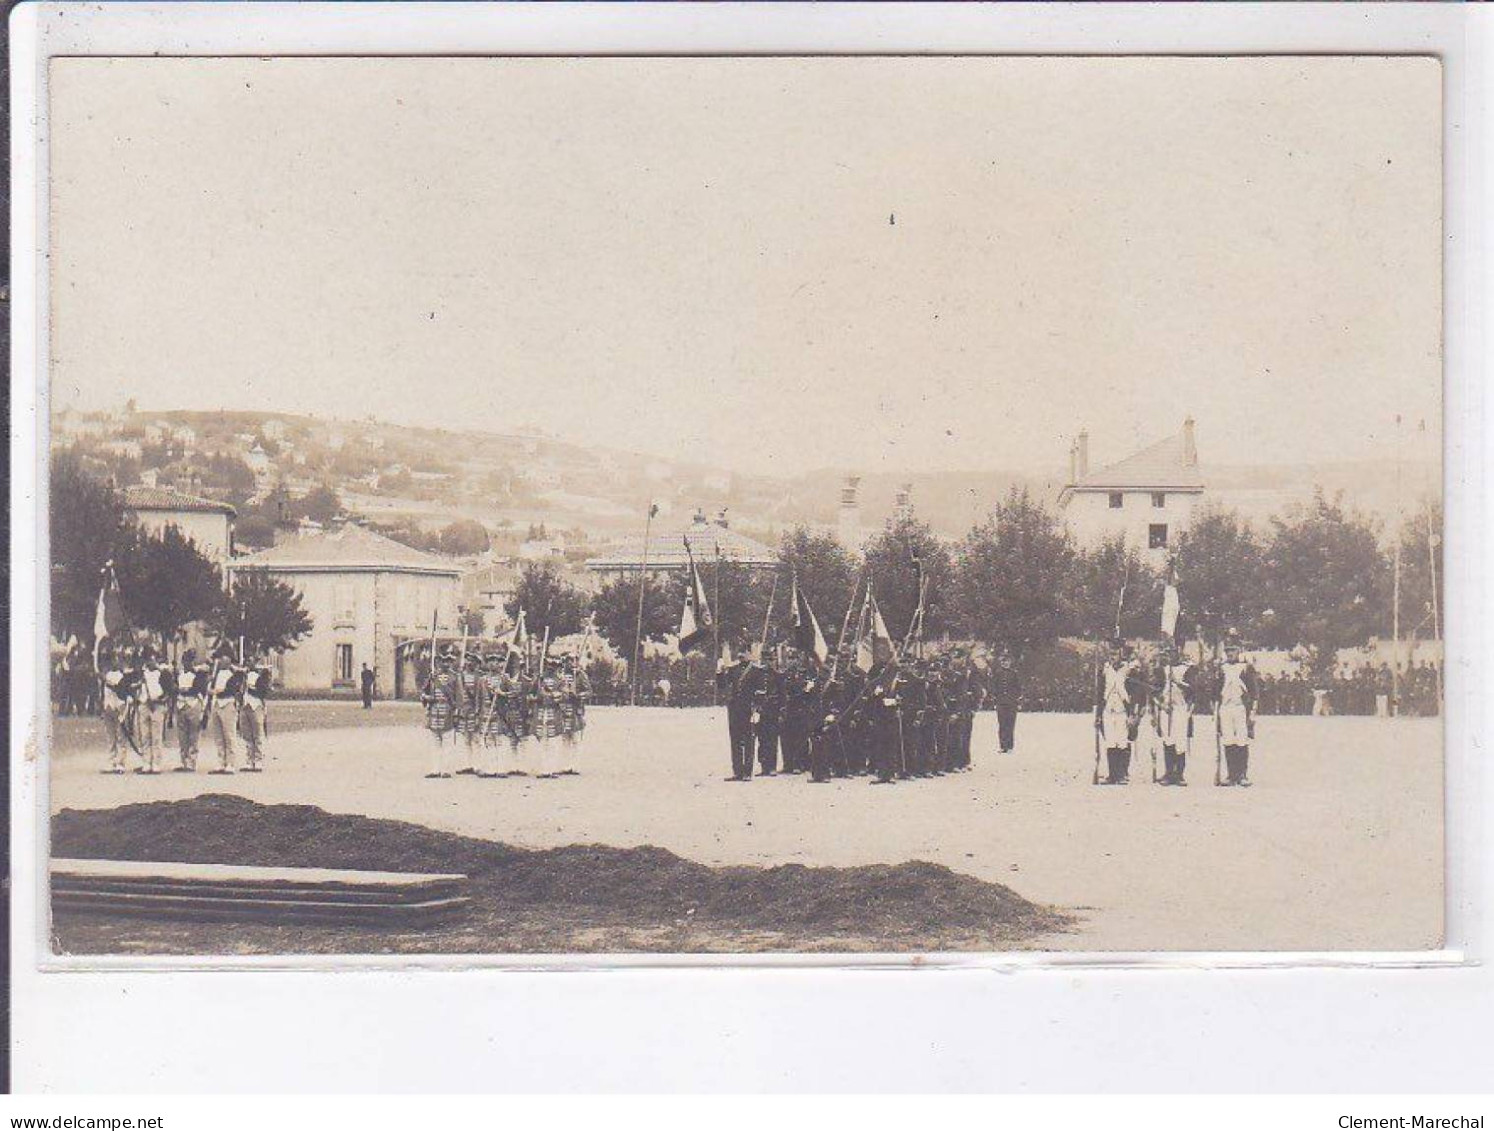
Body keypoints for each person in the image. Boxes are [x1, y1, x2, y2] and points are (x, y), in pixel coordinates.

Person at [1095, 640, 1141, 785]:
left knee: (1122, 742)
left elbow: (1136, 692)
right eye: (1111, 654)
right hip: (1108, 710)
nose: (1113, 657)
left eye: (1115, 654)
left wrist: (1134, 713)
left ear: (1121, 653)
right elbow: (1100, 692)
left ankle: (1122, 774)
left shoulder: (1129, 669)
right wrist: (1097, 715)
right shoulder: (1105, 669)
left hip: (1122, 710)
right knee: (1110, 742)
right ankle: (1112, 774)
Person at [1216, 636, 1260, 787]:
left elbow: (1254, 692)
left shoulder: (1246, 668)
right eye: (1228, 651)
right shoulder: (1221, 668)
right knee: (1228, 740)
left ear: (1238, 651)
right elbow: (1215, 690)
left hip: (1240, 708)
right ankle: (1231, 774)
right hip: (1225, 708)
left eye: (1233, 650)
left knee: (1242, 740)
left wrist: (1252, 713)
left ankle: (1242, 774)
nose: (1230, 654)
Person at [1155, 643, 1196, 786]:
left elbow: (1193, 690)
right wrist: (1161, 705)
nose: (1170, 655)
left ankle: (1179, 774)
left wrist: (1177, 682)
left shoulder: (1187, 668)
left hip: (1180, 709)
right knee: (1168, 740)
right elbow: (1156, 691)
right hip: (1167, 709)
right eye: (1168, 652)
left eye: (1173, 652)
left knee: (1180, 742)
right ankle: (1168, 773)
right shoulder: (1162, 670)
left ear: (1178, 652)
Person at [717, 647, 760, 781]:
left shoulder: (756, 671)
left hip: (749, 708)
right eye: (740, 653)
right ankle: (737, 771)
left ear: (750, 654)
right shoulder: (733, 669)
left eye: (745, 652)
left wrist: (757, 709)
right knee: (735, 740)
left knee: (748, 740)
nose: (742, 655)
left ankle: (747, 772)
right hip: (735, 708)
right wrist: (719, 672)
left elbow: (761, 692)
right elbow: (722, 685)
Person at [420, 646, 461, 778]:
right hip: (434, 713)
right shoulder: (433, 677)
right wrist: (425, 698)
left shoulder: (455, 677)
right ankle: (435, 769)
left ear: (451, 662)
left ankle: (446, 769)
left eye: (447, 661)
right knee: (435, 743)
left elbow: (459, 697)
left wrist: (457, 714)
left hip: (448, 712)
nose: (445, 663)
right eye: (442, 661)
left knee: (448, 743)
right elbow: (423, 693)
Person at [205, 644, 244, 775]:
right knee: (219, 735)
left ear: (229, 658)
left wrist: (215, 691)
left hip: (228, 703)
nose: (221, 660)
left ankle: (230, 763)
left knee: (229, 735)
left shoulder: (235, 673)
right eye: (220, 657)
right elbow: (211, 687)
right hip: (216, 704)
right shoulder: (216, 674)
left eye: (224, 657)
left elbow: (231, 689)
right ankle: (221, 761)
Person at [136, 647, 169, 774]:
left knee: (156, 736)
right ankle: (146, 762)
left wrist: (159, 700)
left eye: (152, 658)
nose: (150, 661)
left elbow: (168, 691)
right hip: (144, 704)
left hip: (157, 706)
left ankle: (156, 763)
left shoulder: (163, 673)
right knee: (145, 736)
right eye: (147, 659)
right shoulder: (142, 674)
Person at [173, 650, 206, 772]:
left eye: (190, 661)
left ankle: (192, 761)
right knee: (182, 735)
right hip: (181, 704)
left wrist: (184, 690)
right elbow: (175, 689)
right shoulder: (179, 675)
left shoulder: (198, 674)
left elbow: (199, 689)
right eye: (186, 661)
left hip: (193, 704)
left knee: (193, 734)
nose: (188, 663)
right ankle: (184, 761)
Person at [99, 648, 131, 774]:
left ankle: (121, 762)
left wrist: (108, 682)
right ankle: (111, 760)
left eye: (117, 660)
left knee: (121, 736)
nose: (114, 662)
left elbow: (121, 690)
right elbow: (103, 693)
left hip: (120, 707)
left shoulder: (124, 676)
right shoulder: (106, 675)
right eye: (113, 660)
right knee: (110, 736)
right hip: (108, 707)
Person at [240, 652, 273, 772]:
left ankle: (258, 760)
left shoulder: (260, 676)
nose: (249, 663)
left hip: (256, 706)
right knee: (247, 735)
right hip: (245, 706)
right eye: (247, 661)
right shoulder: (243, 675)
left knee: (258, 734)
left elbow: (263, 691)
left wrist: (250, 688)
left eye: (251, 661)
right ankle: (249, 760)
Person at [991, 647, 1022, 755]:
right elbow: (994, 687)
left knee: (1010, 725)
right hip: (1001, 703)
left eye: (1007, 661)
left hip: (1012, 703)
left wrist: (1017, 700)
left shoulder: (1014, 674)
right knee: (1002, 725)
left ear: (1010, 663)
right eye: (1003, 662)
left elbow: (1018, 688)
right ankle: (1003, 746)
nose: (1005, 663)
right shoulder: (997, 673)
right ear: (1001, 663)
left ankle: (1010, 746)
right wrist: (995, 700)